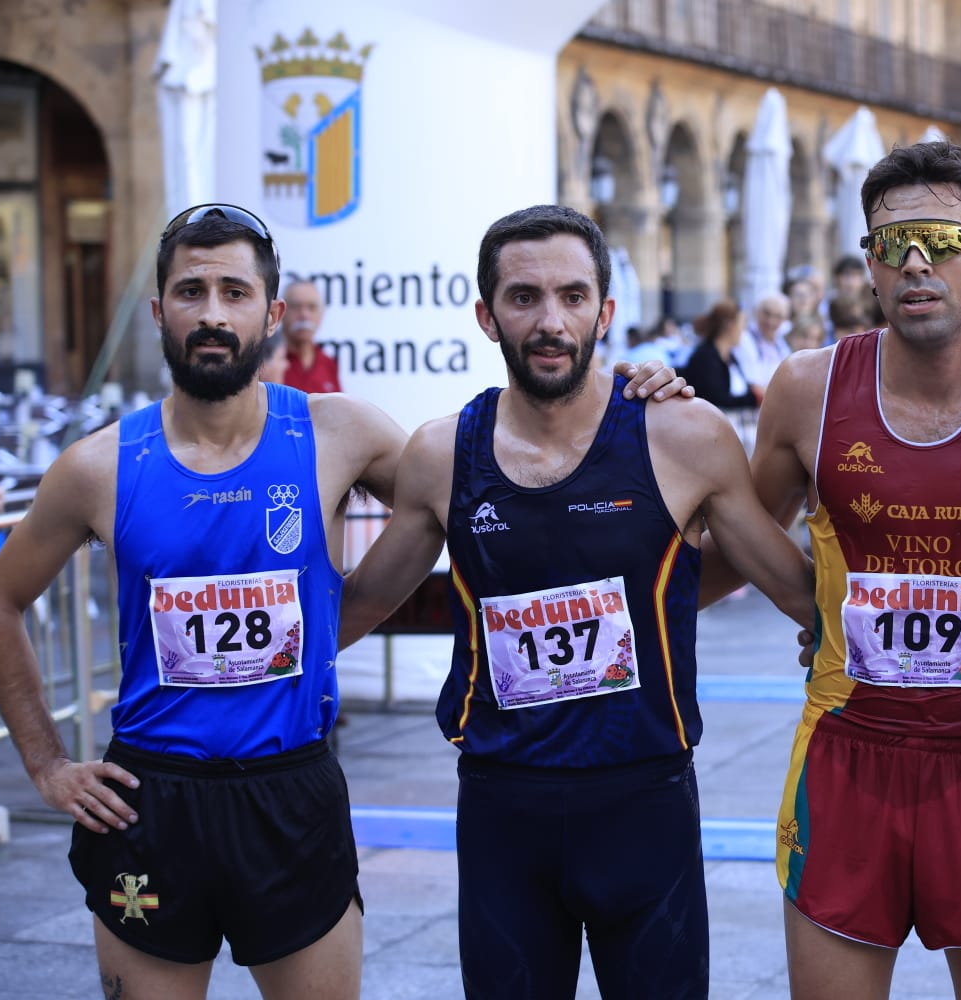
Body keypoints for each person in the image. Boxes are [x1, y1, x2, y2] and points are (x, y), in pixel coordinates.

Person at [0, 204, 684, 1000]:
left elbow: (508, 485)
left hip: (293, 790)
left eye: (235, 292)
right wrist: (43, 762)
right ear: (158, 313)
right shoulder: (98, 466)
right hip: (153, 799)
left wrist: (619, 399)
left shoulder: (341, 433)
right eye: (191, 292)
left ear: (272, 313)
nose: (213, 313)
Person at [336, 204, 816, 1000]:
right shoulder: (439, 454)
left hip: (644, 802)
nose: (550, 321)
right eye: (524, 298)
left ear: (606, 311)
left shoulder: (681, 434)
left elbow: (796, 589)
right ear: (487, 316)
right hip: (502, 809)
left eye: (571, 296)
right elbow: (354, 611)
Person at [705, 140, 961, 998]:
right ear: (869, 266)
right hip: (847, 761)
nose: (917, 262)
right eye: (892, 243)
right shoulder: (807, 389)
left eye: (943, 240)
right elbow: (726, 546)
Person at [684, 299, 761, 410]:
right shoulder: (706, 357)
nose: (743, 331)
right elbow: (716, 400)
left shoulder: (730, 357)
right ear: (729, 325)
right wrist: (755, 398)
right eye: (742, 325)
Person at [281, 279, 342, 393]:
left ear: (322, 314)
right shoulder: (266, 361)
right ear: (280, 311)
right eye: (296, 306)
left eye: (312, 307)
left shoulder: (328, 363)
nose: (304, 315)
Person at [733, 292, 792, 393]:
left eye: (778, 316)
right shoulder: (745, 340)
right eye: (767, 313)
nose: (771, 321)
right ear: (756, 312)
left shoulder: (781, 344)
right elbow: (753, 384)